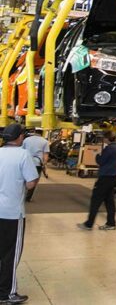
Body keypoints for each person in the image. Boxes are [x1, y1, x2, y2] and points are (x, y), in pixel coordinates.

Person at [0, 123, 38, 305]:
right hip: (12, 213)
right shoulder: (23, 155)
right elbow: (31, 183)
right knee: (10, 254)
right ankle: (7, 294)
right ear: (19, 137)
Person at [79, 131, 116, 231]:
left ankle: (89, 224)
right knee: (109, 201)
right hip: (113, 177)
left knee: (95, 200)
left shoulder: (109, 149)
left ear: (106, 139)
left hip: (105, 178)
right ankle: (111, 223)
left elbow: (101, 161)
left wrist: (97, 155)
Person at [21, 129, 49, 202]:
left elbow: (21, 151)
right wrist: (44, 164)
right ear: (42, 133)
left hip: (26, 162)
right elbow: (46, 154)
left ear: (34, 132)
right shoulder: (45, 141)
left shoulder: (26, 140)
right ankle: (28, 198)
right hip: (37, 164)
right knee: (34, 180)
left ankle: (20, 195)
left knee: (23, 179)